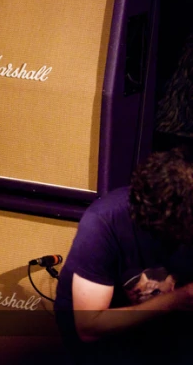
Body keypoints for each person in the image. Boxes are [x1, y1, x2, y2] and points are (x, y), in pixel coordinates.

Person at [54, 147, 193, 364]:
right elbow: (89, 327)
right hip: (105, 344)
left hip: (164, 336)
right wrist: (178, 299)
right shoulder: (102, 222)